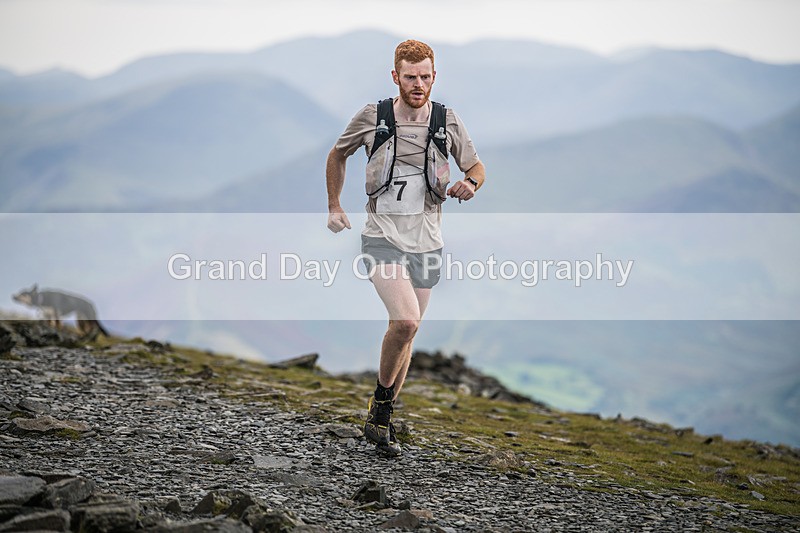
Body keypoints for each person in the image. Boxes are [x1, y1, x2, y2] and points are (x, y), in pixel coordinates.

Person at [325, 39, 485, 456]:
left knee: (408, 335)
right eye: (411, 77)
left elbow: (477, 167)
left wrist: (470, 183)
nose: (419, 84)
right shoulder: (373, 117)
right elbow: (337, 154)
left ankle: (382, 421)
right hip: (382, 236)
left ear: (435, 77)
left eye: (426, 77)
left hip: (428, 241)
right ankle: (380, 408)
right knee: (406, 323)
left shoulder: (447, 120)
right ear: (395, 76)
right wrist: (335, 205)